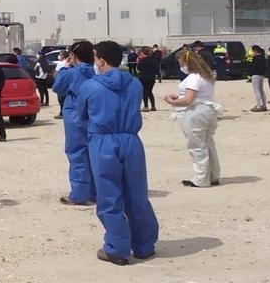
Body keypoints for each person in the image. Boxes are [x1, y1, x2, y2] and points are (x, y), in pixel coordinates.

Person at [78, 41, 159, 266]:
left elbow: (81, 115)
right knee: (137, 194)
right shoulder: (134, 84)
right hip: (131, 140)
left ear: (101, 60)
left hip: (103, 141)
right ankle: (144, 245)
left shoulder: (90, 86)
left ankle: (117, 247)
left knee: (109, 195)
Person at [163, 50, 221, 188]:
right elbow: (196, 96)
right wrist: (179, 98)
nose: (181, 67)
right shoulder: (207, 75)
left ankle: (200, 179)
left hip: (196, 112)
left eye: (181, 63)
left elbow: (188, 100)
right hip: (208, 110)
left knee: (197, 146)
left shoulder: (193, 77)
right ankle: (213, 176)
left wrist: (171, 101)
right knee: (208, 144)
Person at [51, 41, 96, 205]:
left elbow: (57, 87)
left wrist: (63, 68)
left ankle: (79, 194)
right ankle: (95, 192)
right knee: (94, 154)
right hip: (94, 115)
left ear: (73, 55)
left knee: (77, 154)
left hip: (75, 116)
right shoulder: (97, 70)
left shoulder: (72, 72)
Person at [136, 47, 160, 112]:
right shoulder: (153, 60)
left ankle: (146, 106)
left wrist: (139, 61)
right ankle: (153, 106)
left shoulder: (142, 60)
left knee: (144, 91)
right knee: (149, 91)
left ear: (143, 53)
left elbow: (138, 68)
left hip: (143, 77)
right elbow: (156, 68)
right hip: (151, 77)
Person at [248, 45, 268, 112]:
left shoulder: (256, 57)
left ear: (255, 51)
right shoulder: (263, 57)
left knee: (256, 91)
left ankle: (258, 106)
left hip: (255, 75)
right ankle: (264, 105)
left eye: (253, 51)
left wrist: (250, 73)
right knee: (261, 90)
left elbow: (254, 67)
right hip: (261, 75)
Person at [53, 50, 69, 119]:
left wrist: (56, 81)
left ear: (63, 56)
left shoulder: (61, 63)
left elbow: (56, 74)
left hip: (61, 84)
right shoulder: (69, 62)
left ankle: (62, 113)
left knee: (61, 99)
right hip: (68, 83)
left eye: (60, 54)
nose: (59, 56)